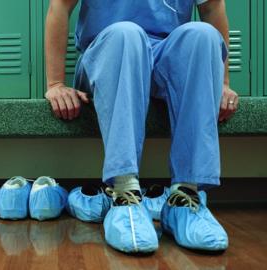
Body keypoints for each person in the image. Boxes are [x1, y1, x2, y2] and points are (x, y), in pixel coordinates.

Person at [45, 0, 238, 253]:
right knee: (127, 33)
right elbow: (59, 6)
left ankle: (186, 198)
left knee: (203, 36)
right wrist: (55, 84)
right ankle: (124, 194)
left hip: (165, 56)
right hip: (107, 54)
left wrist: (222, 83)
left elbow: (213, 9)